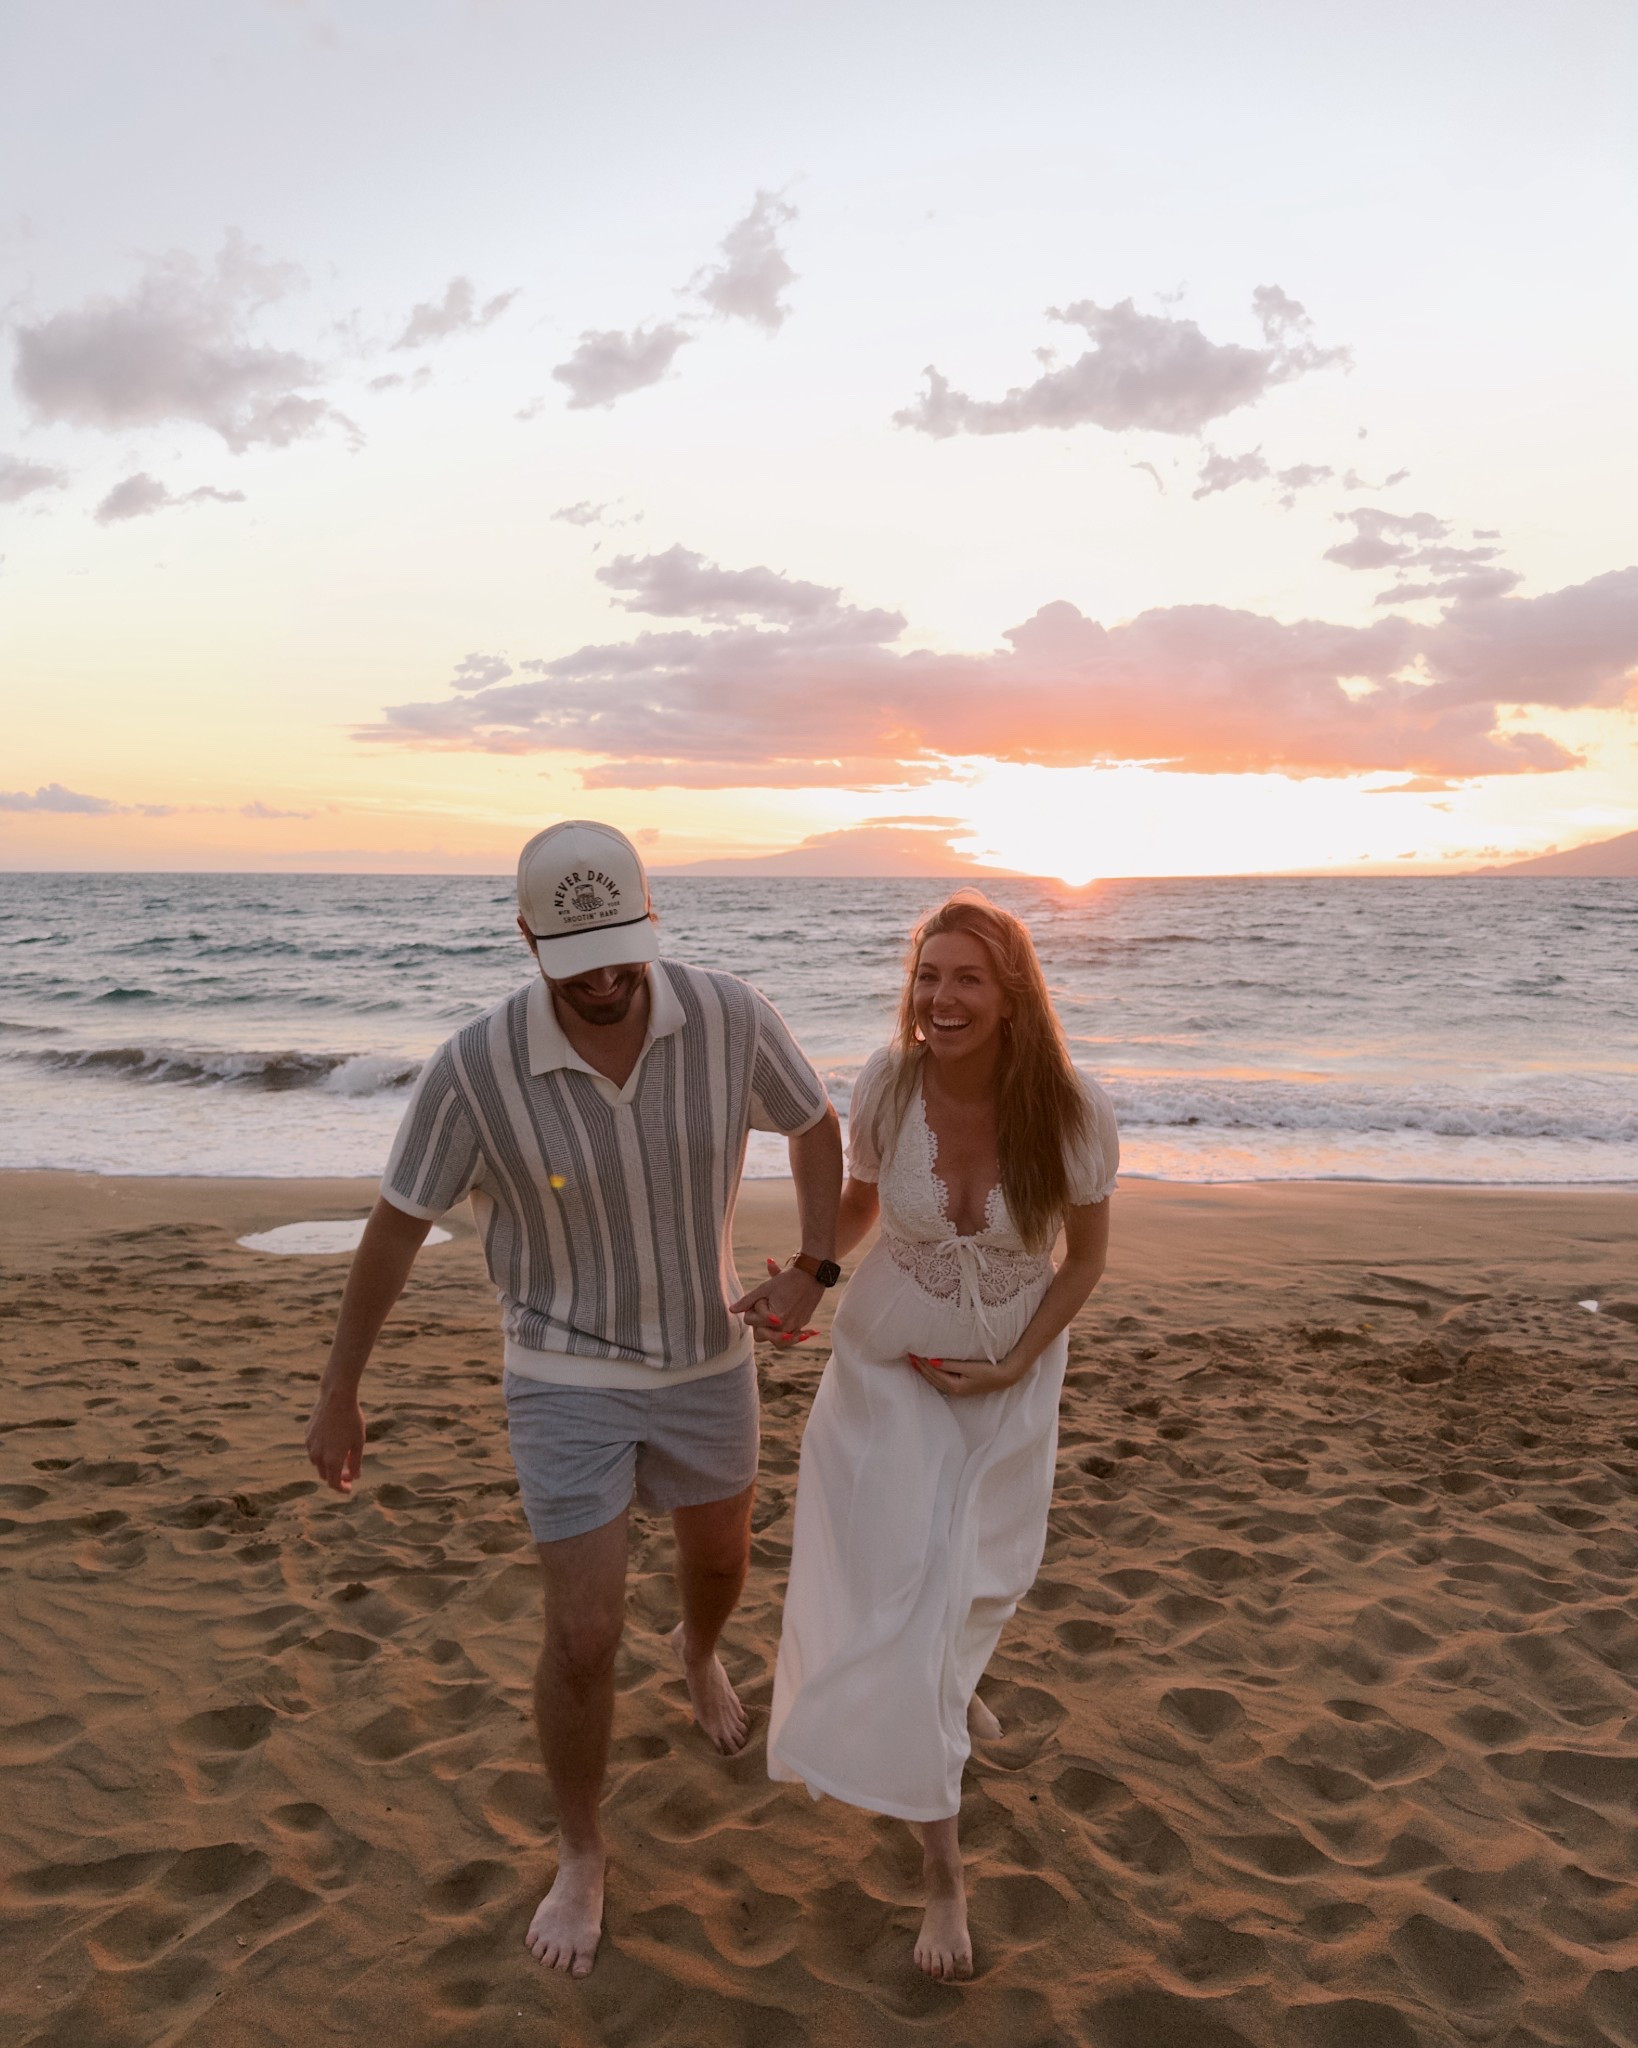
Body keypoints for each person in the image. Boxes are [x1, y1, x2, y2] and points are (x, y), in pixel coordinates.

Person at [304, 819, 842, 1980]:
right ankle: (583, 1848)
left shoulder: (732, 1013)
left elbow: (814, 1123)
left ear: (653, 917)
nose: (604, 974)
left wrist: (811, 1261)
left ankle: (700, 1655)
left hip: (707, 1355)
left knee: (719, 1566)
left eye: (623, 945)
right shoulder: (476, 1065)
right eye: (576, 951)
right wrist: (341, 1386)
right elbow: (398, 1218)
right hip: (562, 1369)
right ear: (526, 936)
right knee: (584, 1633)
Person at [767, 892, 1116, 1981]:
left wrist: (1016, 1364)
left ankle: (955, 1679)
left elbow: (1086, 1262)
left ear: (1012, 993)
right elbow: (865, 1202)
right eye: (927, 974)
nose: (941, 999)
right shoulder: (889, 1083)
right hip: (885, 1370)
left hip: (1007, 1380)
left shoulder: (1069, 1108)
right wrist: (807, 1268)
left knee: (982, 1580)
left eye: (966, 977)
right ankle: (944, 1875)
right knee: (910, 1592)